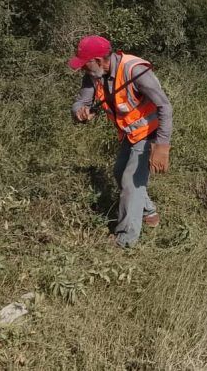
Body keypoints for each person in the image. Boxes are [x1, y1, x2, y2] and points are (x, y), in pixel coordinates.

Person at [69, 35, 173, 248]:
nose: (82, 69)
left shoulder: (135, 71)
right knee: (119, 173)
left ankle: (125, 241)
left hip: (150, 133)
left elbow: (165, 106)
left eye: (85, 64)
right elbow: (83, 100)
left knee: (130, 183)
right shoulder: (94, 74)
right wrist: (79, 111)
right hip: (129, 133)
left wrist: (162, 146)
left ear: (98, 60)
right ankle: (148, 212)